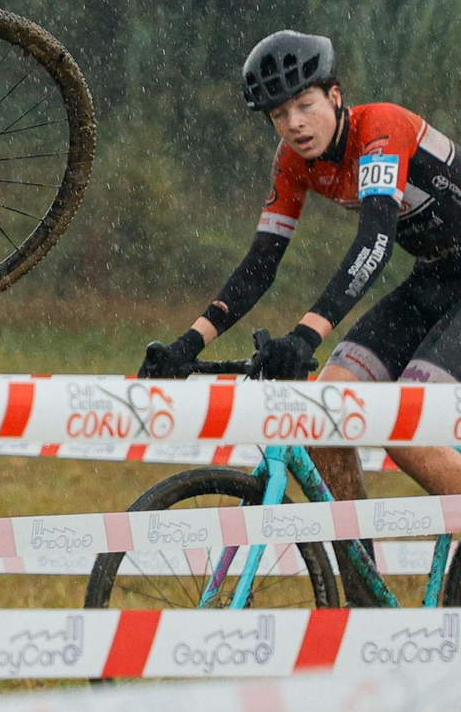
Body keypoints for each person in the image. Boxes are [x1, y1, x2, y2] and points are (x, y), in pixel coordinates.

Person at [141, 29, 461, 600]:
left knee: (406, 425)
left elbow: (375, 241)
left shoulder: (380, 128)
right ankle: (368, 603)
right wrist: (188, 342)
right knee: (327, 410)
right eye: (279, 114)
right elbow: (261, 263)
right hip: (435, 277)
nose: (295, 124)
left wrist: (305, 335)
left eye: (305, 105)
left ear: (336, 97)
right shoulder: (294, 162)